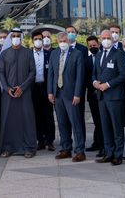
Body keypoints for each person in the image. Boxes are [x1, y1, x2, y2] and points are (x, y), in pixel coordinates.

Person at [47, 32, 86, 162]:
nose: (63, 43)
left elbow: (80, 76)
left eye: (65, 40)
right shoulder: (54, 54)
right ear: (57, 42)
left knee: (76, 123)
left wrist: (77, 94)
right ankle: (66, 149)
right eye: (60, 41)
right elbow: (51, 74)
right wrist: (50, 92)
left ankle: (80, 151)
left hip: (71, 94)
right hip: (58, 94)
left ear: (69, 41)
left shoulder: (77, 54)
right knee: (62, 123)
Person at [0, 28, 36, 158]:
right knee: (9, 120)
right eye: (13, 35)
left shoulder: (28, 53)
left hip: (24, 93)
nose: (15, 38)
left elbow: (32, 72)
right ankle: (8, 148)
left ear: (21, 37)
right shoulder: (4, 54)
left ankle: (28, 148)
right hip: (8, 94)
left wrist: (22, 88)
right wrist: (8, 88)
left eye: (18, 36)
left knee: (27, 120)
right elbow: (1, 73)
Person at [92, 29, 125, 165]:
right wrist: (95, 82)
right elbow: (94, 73)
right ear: (100, 39)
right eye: (103, 37)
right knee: (105, 127)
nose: (106, 40)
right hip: (101, 97)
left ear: (112, 39)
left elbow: (124, 75)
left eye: (108, 37)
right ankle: (108, 152)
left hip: (114, 96)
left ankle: (118, 155)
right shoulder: (99, 54)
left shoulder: (118, 54)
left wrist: (108, 84)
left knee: (117, 127)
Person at [30, 29, 54, 151]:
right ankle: (40, 140)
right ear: (32, 41)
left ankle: (50, 141)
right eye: (36, 39)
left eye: (40, 39)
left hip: (46, 87)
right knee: (36, 115)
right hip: (33, 88)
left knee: (48, 114)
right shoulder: (28, 54)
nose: (39, 41)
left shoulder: (49, 53)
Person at [85, 35, 104, 156]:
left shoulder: (104, 56)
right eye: (90, 46)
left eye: (94, 45)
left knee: (104, 121)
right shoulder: (86, 59)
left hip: (104, 93)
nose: (93, 47)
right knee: (97, 120)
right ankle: (97, 142)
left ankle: (104, 145)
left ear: (98, 44)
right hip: (92, 94)